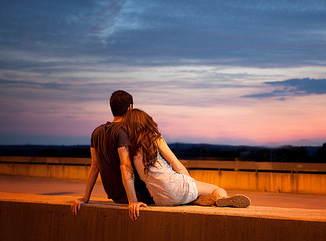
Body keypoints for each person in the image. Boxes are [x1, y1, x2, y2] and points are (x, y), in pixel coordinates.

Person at [121, 108, 251, 220]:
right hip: (176, 187)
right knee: (218, 189)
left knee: (191, 195)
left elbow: (128, 172)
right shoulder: (155, 139)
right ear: (146, 122)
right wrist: (189, 181)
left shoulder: (128, 149)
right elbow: (176, 165)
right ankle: (220, 198)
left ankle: (198, 199)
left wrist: (132, 201)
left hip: (161, 199)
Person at [71, 90, 154, 215]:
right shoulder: (123, 131)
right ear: (130, 108)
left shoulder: (96, 132)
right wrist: (133, 201)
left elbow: (94, 166)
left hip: (116, 197)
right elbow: (125, 165)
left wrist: (85, 198)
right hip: (136, 194)